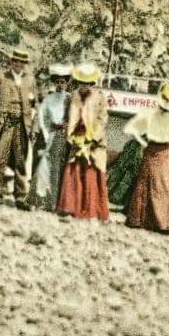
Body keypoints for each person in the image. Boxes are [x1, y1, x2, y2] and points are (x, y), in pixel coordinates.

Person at [124, 84, 169, 236]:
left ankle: (142, 220)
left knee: (150, 185)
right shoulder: (165, 117)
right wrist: (145, 142)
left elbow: (130, 129)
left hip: (155, 150)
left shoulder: (152, 114)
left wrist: (142, 141)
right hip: (163, 151)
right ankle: (166, 222)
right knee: (164, 187)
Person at [55, 61, 110, 220]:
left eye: (87, 83)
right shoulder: (74, 96)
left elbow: (102, 120)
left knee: (91, 172)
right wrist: (70, 135)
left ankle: (90, 209)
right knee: (73, 171)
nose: (84, 86)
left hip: (93, 141)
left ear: (92, 83)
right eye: (81, 83)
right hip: (76, 137)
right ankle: (69, 206)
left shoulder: (99, 97)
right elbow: (68, 116)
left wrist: (92, 138)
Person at [0, 49, 37, 209]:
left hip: (22, 125)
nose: (19, 65)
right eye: (16, 61)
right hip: (6, 124)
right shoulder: (1, 79)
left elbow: (34, 102)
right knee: (1, 158)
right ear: (11, 62)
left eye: (22, 62)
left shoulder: (29, 80)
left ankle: (20, 197)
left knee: (20, 160)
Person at [31, 63, 72, 211]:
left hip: (64, 136)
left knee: (59, 169)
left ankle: (55, 203)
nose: (60, 85)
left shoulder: (70, 98)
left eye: (63, 82)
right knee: (44, 168)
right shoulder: (49, 98)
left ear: (67, 83)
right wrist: (45, 133)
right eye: (57, 82)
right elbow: (41, 117)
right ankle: (40, 200)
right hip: (51, 134)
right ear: (54, 83)